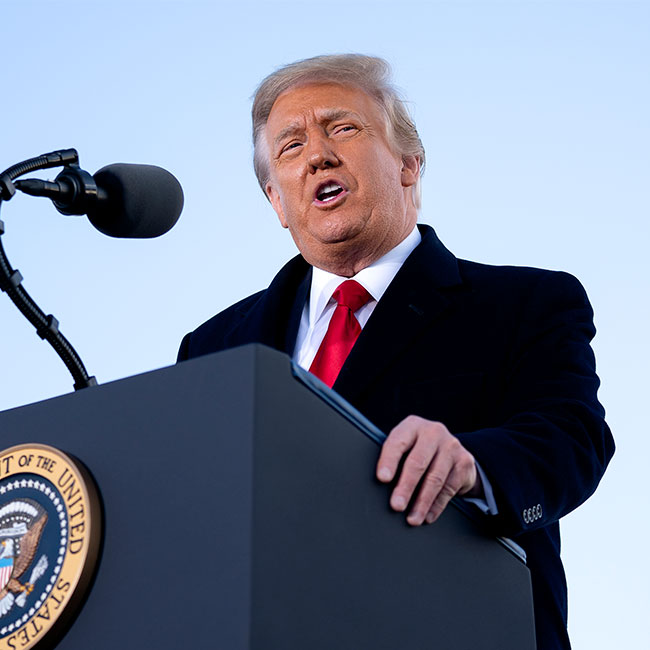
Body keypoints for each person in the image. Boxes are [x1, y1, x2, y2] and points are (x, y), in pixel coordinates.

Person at [178, 54, 614, 649]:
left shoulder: (526, 301)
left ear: (409, 165)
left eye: (343, 128)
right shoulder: (212, 348)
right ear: (277, 203)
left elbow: (572, 439)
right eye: (290, 147)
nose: (317, 156)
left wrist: (472, 466)